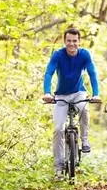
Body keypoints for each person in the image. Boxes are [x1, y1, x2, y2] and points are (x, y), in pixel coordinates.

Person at [42, 27, 100, 179]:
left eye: (75, 41)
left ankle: (85, 139)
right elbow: (49, 73)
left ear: (79, 42)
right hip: (61, 95)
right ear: (64, 41)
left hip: (78, 92)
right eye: (69, 41)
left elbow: (92, 73)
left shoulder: (85, 54)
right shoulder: (58, 55)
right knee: (58, 129)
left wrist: (96, 94)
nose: (72, 44)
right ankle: (58, 169)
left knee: (83, 109)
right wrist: (47, 93)